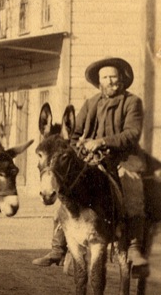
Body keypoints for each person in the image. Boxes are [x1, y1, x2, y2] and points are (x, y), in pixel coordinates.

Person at [33, 57, 153, 273]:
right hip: (91, 156)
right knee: (67, 187)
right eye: (105, 77)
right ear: (99, 81)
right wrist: (79, 144)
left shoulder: (132, 102)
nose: (110, 81)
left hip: (122, 157)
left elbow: (132, 133)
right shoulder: (91, 103)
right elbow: (75, 132)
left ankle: (134, 247)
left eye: (114, 77)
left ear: (122, 79)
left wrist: (103, 142)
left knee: (133, 188)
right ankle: (58, 246)